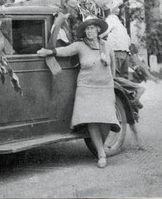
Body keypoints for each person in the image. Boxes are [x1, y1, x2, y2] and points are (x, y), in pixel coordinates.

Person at [37, 15, 120, 168]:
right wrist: (49, 52)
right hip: (86, 88)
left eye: (92, 28)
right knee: (92, 121)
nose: (90, 31)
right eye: (87, 29)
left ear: (98, 30)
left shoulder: (107, 46)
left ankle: (102, 146)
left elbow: (113, 68)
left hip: (105, 87)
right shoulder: (80, 45)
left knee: (107, 120)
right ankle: (101, 154)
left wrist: (112, 84)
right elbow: (64, 51)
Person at [100, 0, 130, 79]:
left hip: (124, 50)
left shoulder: (117, 20)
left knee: (123, 76)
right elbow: (105, 32)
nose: (119, 10)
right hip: (117, 50)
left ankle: (124, 91)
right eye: (116, 8)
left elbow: (125, 36)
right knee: (116, 75)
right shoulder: (110, 19)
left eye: (118, 8)